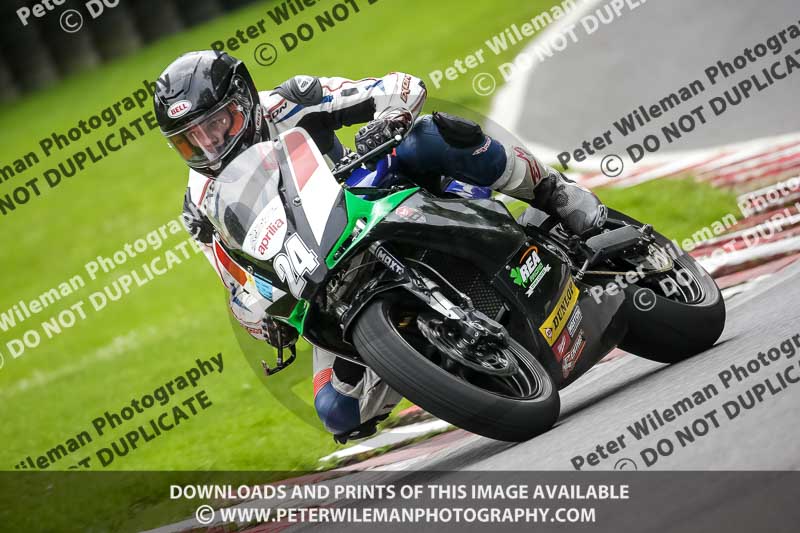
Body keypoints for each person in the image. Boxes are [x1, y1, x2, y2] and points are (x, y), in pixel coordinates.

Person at [153, 50, 607, 443]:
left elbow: (401, 88)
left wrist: (389, 121)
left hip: (366, 194)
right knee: (338, 410)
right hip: (319, 276)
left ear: (245, 100)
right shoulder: (199, 204)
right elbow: (234, 277)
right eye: (191, 139)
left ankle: (554, 193)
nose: (209, 143)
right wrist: (260, 320)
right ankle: (440, 357)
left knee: (427, 136)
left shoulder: (291, 101)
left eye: (217, 123)